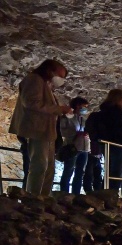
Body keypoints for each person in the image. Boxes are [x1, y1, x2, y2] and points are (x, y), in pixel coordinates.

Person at [9, 59, 72, 196]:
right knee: (39, 166)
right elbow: (31, 103)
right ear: (50, 71)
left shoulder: (44, 84)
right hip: (37, 130)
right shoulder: (34, 80)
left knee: (48, 168)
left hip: (45, 132)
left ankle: (43, 197)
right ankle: (33, 198)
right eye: (60, 76)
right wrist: (58, 109)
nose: (61, 80)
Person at [99, 89, 122, 191]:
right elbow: (119, 130)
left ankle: (104, 194)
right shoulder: (116, 112)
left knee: (109, 172)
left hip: (108, 145)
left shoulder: (104, 111)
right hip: (118, 145)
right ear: (119, 99)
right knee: (116, 173)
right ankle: (112, 196)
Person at [59, 97, 90, 194]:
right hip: (72, 147)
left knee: (80, 173)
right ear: (78, 105)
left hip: (84, 148)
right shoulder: (67, 117)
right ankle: (64, 194)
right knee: (68, 171)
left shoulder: (83, 119)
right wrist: (76, 134)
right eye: (84, 106)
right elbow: (62, 130)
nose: (85, 109)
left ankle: (76, 195)